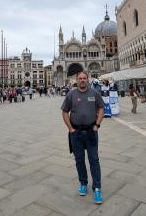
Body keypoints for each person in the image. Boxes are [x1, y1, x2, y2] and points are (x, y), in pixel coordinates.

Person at [61, 71, 104, 204]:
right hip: (76, 133)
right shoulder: (71, 94)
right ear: (76, 80)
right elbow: (64, 111)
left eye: (84, 78)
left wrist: (97, 124)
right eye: (80, 78)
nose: (82, 80)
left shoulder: (94, 93)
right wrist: (71, 129)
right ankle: (83, 183)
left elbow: (101, 108)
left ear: (88, 79)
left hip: (91, 131)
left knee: (94, 160)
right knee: (79, 160)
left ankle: (97, 187)